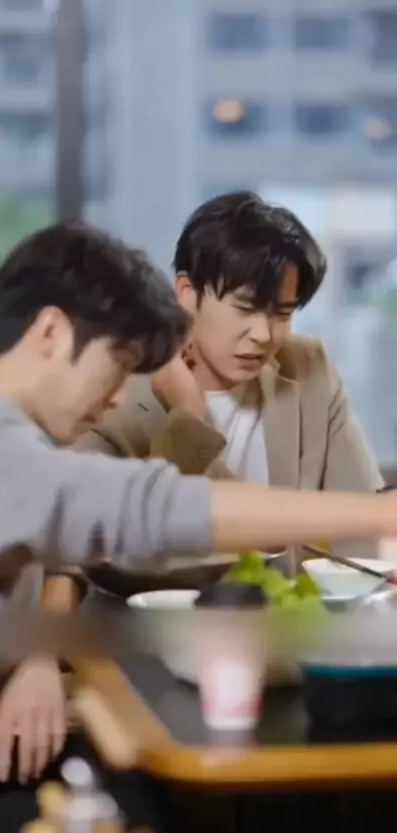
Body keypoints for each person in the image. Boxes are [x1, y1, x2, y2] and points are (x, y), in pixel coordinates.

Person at [0, 220, 396, 833]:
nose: (119, 398)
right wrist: (375, 517)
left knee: (161, 797)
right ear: (51, 332)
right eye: (116, 367)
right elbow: (149, 508)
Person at [74, 191, 383, 562]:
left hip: (298, 601)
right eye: (246, 308)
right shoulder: (116, 389)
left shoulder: (308, 366)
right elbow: (117, 553)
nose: (264, 334)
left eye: (282, 314)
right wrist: (189, 421)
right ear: (188, 294)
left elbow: (362, 522)